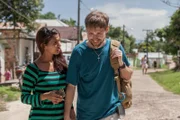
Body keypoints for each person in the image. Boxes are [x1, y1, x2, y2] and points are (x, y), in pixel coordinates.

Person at [64, 10, 133, 120]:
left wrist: (121, 63)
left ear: (107, 29)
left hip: (111, 112)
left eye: (99, 34)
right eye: (90, 33)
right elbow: (71, 86)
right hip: (86, 115)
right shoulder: (78, 52)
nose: (95, 38)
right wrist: (67, 115)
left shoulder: (115, 47)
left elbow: (128, 76)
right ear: (86, 30)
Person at [21, 27, 75, 120]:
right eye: (55, 43)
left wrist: (72, 114)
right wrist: (45, 96)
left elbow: (67, 95)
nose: (59, 45)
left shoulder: (62, 67)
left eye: (59, 41)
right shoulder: (33, 69)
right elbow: (24, 97)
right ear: (43, 45)